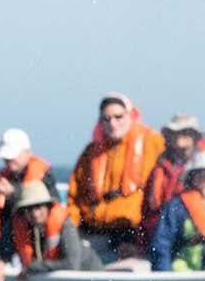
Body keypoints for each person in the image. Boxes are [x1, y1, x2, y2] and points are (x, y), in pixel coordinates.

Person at [66, 93, 163, 260]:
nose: (113, 123)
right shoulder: (91, 152)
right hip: (96, 228)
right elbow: (74, 196)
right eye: (106, 118)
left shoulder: (152, 142)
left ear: (130, 115)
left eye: (118, 117)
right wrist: (72, 229)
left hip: (134, 230)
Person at [0, 179, 102, 281]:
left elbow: (71, 264)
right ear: (23, 212)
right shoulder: (20, 224)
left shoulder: (65, 224)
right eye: (29, 209)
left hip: (90, 276)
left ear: (48, 207)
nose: (35, 214)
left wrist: (32, 268)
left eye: (38, 207)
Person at [0, 127, 57, 247]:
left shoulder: (44, 177)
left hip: (36, 246)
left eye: (12, 156)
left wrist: (13, 194)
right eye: (6, 157)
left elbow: (48, 216)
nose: (8, 160)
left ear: (27, 152)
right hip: (7, 246)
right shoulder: (0, 180)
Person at [140, 112, 205, 246]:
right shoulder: (159, 169)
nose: (180, 139)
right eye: (176, 133)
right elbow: (146, 211)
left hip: (199, 233)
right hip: (163, 234)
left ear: (195, 137)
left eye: (186, 133)